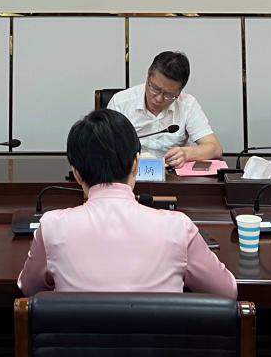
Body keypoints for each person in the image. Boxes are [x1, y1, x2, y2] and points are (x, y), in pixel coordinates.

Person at [18, 108, 236, 297]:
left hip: (79, 336)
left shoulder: (52, 227)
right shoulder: (178, 227)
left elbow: (28, 288)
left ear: (76, 173)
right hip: (157, 336)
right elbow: (227, 291)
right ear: (136, 165)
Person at [107, 51, 223, 168]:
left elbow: (215, 148)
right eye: (155, 88)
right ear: (148, 77)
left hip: (172, 174)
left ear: (179, 91)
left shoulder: (187, 104)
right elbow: (105, 147)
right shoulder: (121, 102)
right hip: (130, 171)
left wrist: (186, 153)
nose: (159, 99)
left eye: (169, 94)